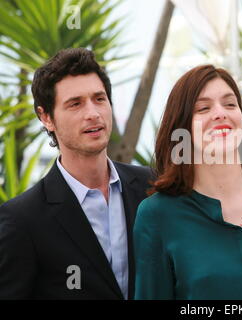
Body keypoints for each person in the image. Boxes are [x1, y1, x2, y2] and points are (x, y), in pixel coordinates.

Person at [133, 64, 242, 300]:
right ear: (181, 127)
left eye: (230, 104)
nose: (220, 113)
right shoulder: (157, 215)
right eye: (203, 108)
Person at [0, 48, 156, 299]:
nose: (93, 113)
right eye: (75, 104)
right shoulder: (22, 220)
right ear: (46, 117)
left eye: (99, 99)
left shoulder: (153, 187)